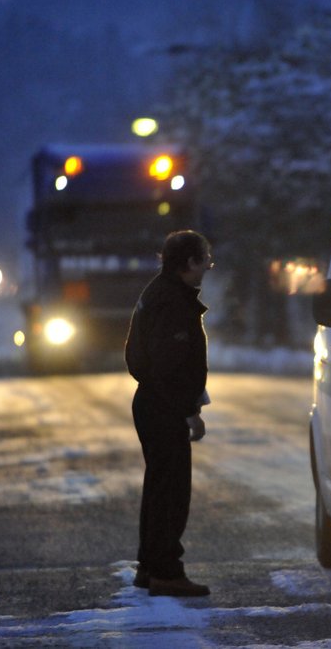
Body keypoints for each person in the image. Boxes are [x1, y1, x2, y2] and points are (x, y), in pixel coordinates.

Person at [125, 230, 214, 597]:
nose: (209, 262)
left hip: (154, 403)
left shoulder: (160, 292)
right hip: (163, 408)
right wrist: (189, 411)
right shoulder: (173, 303)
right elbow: (169, 367)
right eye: (205, 256)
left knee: (159, 489)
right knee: (171, 493)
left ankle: (150, 567)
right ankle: (165, 571)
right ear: (190, 262)